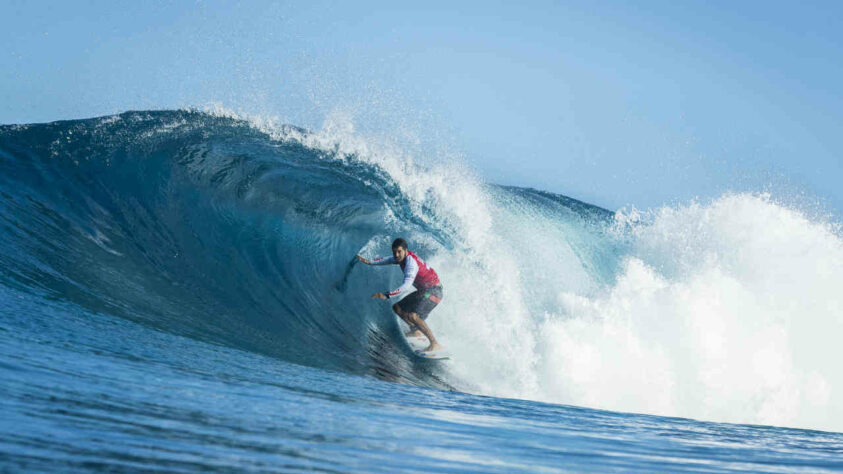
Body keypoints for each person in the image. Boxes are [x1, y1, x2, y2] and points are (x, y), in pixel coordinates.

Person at [357, 238, 443, 353]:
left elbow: (406, 286)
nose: (396, 255)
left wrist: (387, 295)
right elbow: (388, 260)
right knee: (397, 308)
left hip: (434, 291)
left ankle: (434, 343)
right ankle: (415, 331)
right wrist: (369, 262)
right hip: (425, 291)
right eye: (394, 252)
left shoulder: (411, 264)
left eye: (399, 252)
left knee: (413, 316)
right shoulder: (402, 258)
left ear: (406, 250)